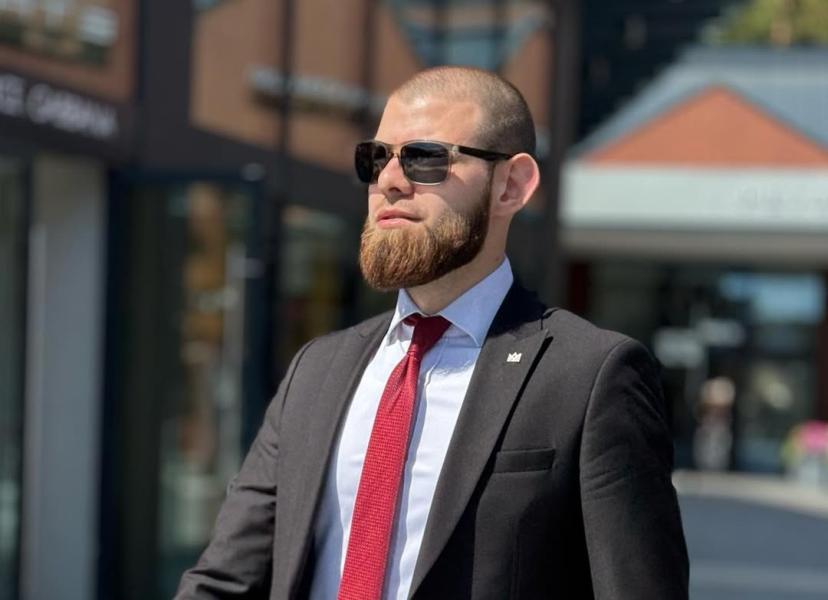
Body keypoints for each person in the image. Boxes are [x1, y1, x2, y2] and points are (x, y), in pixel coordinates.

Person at [176, 66, 689, 600]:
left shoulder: (589, 376)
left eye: (425, 158)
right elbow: (225, 580)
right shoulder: (317, 369)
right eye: (376, 159)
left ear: (511, 185)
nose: (390, 181)